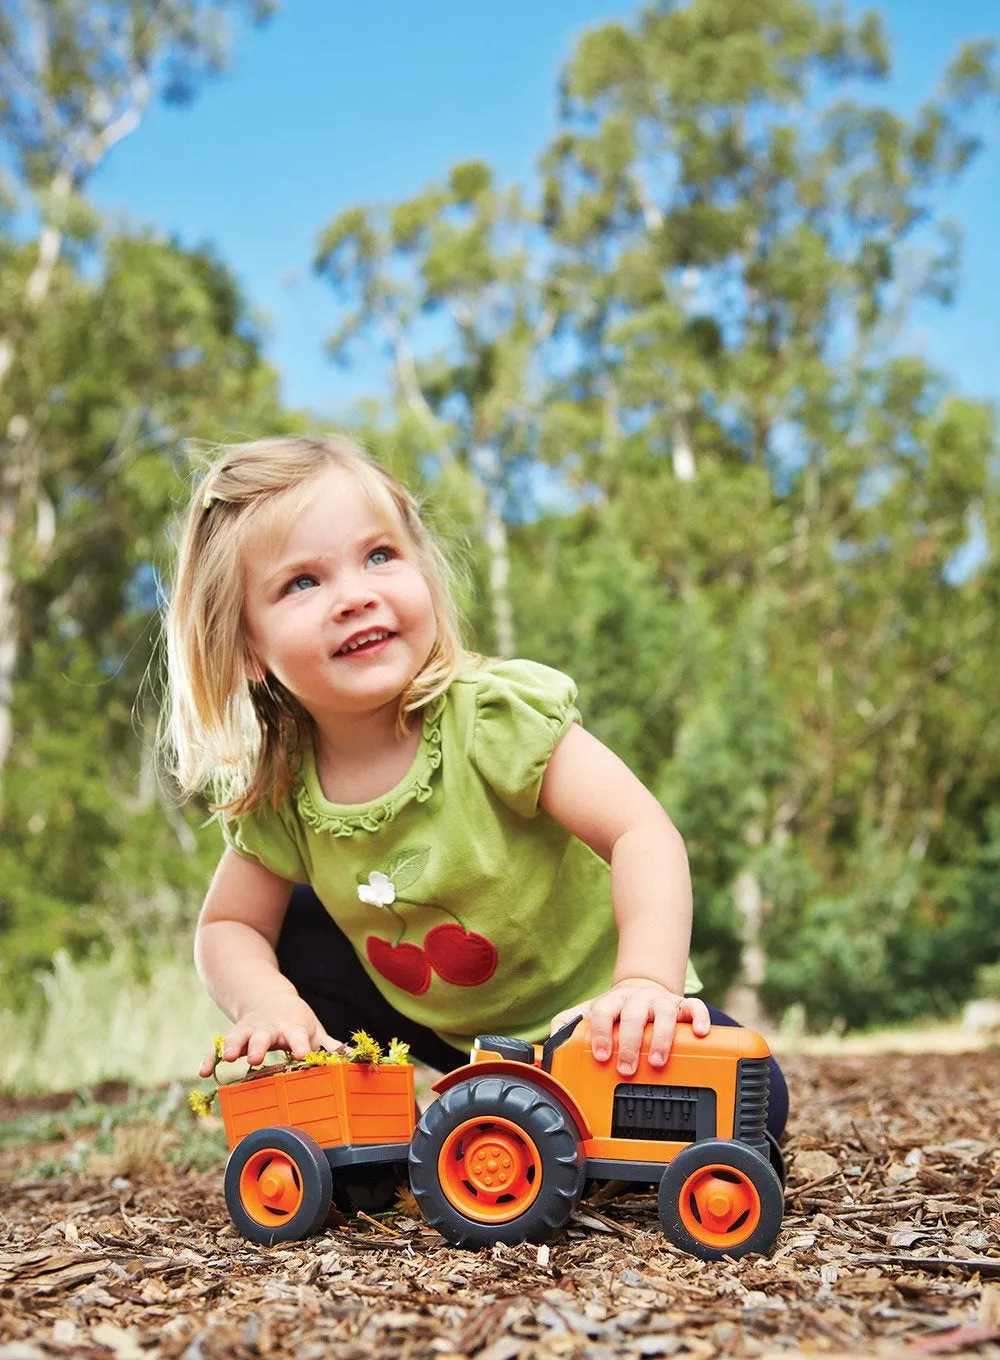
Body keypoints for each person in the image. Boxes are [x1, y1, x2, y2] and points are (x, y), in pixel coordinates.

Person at [162, 434, 787, 1138]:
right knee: (291, 932)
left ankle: (546, 1117)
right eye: (302, 582)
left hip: (596, 1024)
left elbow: (641, 832)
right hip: (444, 1039)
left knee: (756, 1103)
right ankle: (371, 1127)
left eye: (379, 555)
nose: (355, 596)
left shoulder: (491, 717)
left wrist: (644, 983)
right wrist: (266, 1003)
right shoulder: (282, 787)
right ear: (245, 647)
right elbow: (229, 924)